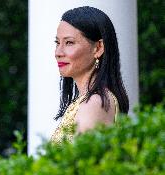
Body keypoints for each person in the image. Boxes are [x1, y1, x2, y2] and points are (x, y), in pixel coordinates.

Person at [51, 6, 129, 143]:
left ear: (98, 48)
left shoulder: (94, 104)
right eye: (57, 43)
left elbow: (83, 163)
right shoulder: (89, 100)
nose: (58, 52)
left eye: (69, 43)